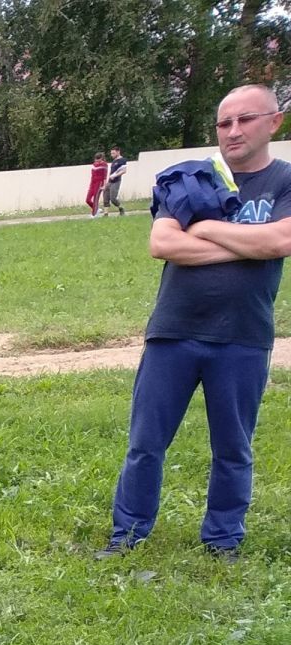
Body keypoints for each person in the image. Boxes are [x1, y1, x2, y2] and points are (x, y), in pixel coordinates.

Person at [97, 85, 291, 561]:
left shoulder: (284, 181)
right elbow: (164, 244)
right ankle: (127, 535)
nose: (233, 131)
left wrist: (203, 228)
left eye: (245, 120)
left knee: (233, 448)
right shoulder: (192, 177)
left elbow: (281, 240)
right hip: (174, 331)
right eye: (225, 123)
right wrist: (248, 240)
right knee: (146, 443)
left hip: (243, 335)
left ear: (274, 122)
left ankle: (222, 541)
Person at [103, 146, 129, 216]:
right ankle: (106, 214)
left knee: (113, 198)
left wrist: (115, 176)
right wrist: (107, 181)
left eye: (113, 153)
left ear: (118, 152)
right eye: (111, 153)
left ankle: (121, 208)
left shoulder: (122, 160)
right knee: (106, 197)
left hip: (116, 181)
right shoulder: (114, 161)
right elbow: (111, 172)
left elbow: (124, 171)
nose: (112, 155)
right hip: (110, 181)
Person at [86, 152, 109, 217]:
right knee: (87, 200)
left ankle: (94, 215)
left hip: (99, 183)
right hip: (92, 183)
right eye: (96, 159)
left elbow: (105, 176)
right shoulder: (94, 164)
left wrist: (104, 185)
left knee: (96, 199)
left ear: (101, 158)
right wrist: (91, 184)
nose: (96, 161)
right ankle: (97, 209)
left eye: (98, 159)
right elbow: (92, 174)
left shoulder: (104, 164)